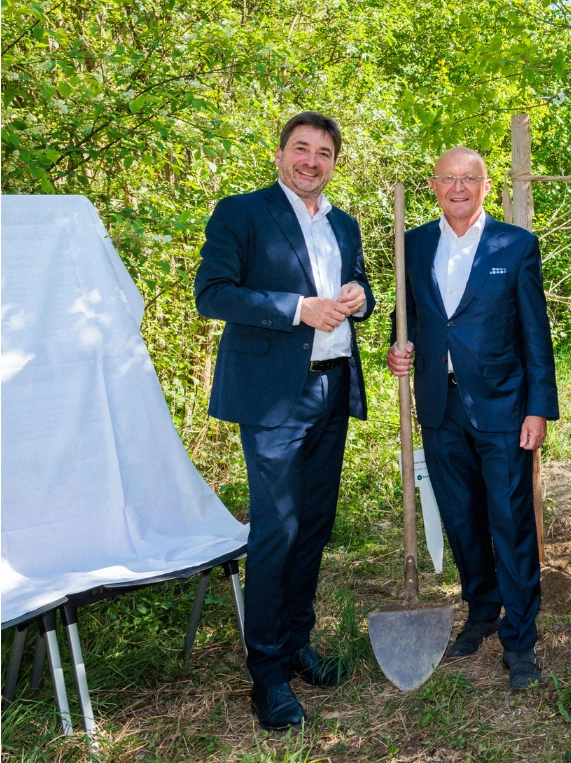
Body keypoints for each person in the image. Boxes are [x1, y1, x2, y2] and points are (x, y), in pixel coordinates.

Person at [194, 111, 375, 730]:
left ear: (333, 163)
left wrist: (358, 298)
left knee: (316, 523)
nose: (311, 161)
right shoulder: (241, 213)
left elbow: (363, 291)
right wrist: (298, 308)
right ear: (280, 155)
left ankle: (298, 642)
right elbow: (212, 293)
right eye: (301, 149)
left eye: (323, 153)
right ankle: (266, 674)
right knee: (277, 529)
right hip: (273, 398)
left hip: (332, 388)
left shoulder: (343, 224)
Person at [387, 147, 559, 690]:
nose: (458, 187)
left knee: (510, 520)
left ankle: (520, 639)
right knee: (461, 517)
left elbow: (536, 332)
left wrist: (538, 407)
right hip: (439, 404)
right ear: (434, 186)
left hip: (503, 406)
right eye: (448, 179)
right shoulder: (412, 245)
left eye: (469, 179)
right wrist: (399, 347)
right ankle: (482, 610)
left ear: (486, 186)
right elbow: (406, 315)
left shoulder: (515, 244)